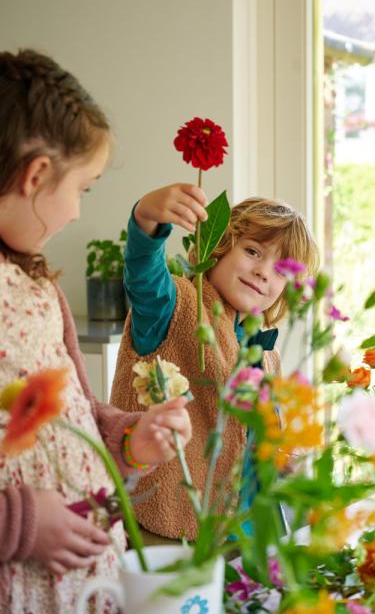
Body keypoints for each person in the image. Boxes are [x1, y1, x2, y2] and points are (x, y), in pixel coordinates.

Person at [0, 49, 192, 613]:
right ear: (35, 175)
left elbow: (79, 415)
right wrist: (21, 524)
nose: (80, 212)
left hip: (84, 589)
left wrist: (133, 438)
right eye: (82, 188)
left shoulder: (37, 285)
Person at [110, 186, 319, 541]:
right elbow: (143, 276)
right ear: (218, 248)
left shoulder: (266, 353)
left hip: (243, 534)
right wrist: (146, 218)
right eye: (253, 251)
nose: (264, 272)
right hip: (166, 528)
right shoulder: (175, 307)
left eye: (281, 269)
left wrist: (282, 457)